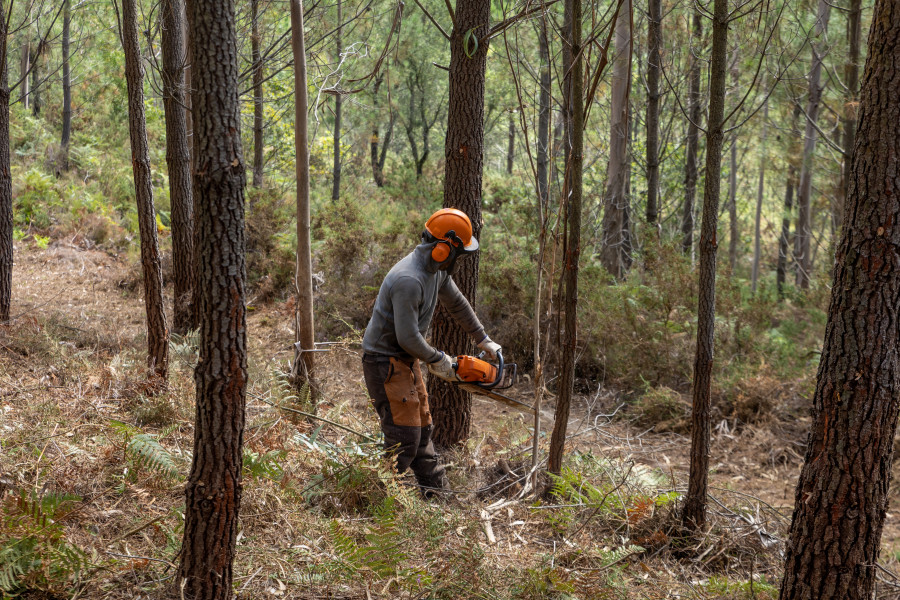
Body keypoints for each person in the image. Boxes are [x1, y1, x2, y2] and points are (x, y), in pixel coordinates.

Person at [361, 208, 501, 495]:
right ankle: (379, 503)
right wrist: (440, 360)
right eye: (458, 254)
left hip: (405, 359)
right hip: (383, 361)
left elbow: (457, 303)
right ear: (442, 249)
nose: (458, 262)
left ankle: (439, 498)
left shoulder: (435, 272)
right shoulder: (409, 280)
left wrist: (482, 338)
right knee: (404, 436)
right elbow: (408, 337)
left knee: (422, 430)